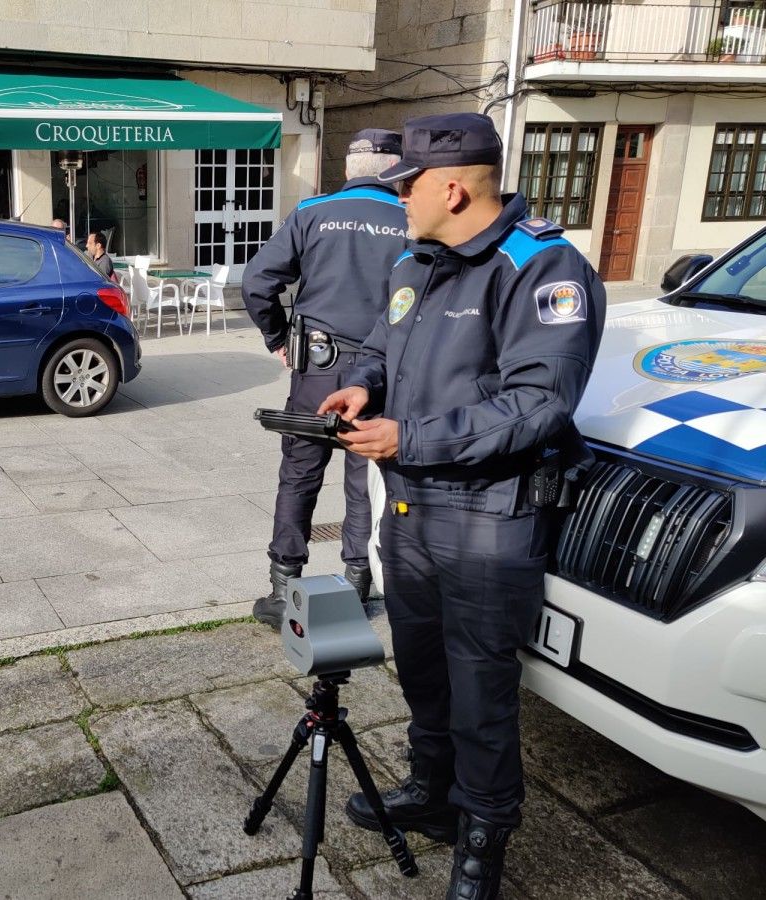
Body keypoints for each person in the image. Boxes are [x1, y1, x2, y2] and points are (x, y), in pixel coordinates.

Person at [317, 113, 606, 899]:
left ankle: (484, 839)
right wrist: (363, 383)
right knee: (422, 670)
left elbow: (537, 405)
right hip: (410, 511)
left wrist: (408, 437)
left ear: (449, 187)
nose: (398, 201)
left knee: (481, 694)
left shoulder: (542, 269)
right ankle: (434, 794)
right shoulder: (418, 259)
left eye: (404, 186)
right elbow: (384, 343)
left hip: (488, 518)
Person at [241, 128, 409, 627]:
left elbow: (257, 282)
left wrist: (277, 338)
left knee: (299, 474)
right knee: (366, 478)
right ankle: (357, 585)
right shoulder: (411, 219)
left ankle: (284, 587)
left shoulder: (312, 213)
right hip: (382, 373)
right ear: (397, 173)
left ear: (347, 172)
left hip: (317, 366)